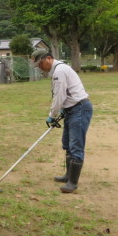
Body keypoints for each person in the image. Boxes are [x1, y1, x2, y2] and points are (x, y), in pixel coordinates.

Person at [31, 49, 93, 193]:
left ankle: (72, 183)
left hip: (79, 109)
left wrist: (52, 115)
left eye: (40, 64)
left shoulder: (60, 71)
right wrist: (63, 110)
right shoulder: (57, 71)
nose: (40, 67)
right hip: (71, 110)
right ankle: (68, 175)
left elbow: (59, 97)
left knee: (76, 145)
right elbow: (63, 96)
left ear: (48, 58)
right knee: (67, 143)